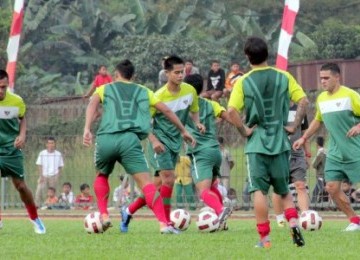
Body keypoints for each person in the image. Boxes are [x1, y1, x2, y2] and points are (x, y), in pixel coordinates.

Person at [83, 59, 196, 234]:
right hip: (130, 140)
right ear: (133, 76)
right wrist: (183, 130)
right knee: (147, 185)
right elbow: (166, 110)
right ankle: (163, 224)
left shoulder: (105, 88)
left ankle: (104, 215)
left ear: (116, 75)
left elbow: (92, 104)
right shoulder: (144, 91)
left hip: (106, 138)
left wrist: (87, 129)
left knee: (102, 175)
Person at [227, 37, 308, 248]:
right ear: (267, 54)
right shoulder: (284, 76)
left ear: (247, 56)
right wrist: (293, 126)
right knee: (283, 190)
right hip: (280, 141)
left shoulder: (243, 81)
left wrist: (244, 130)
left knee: (259, 191)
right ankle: (293, 224)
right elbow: (304, 101)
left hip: (257, 142)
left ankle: (265, 239)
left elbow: (231, 111)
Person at [121, 56, 205, 233]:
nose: (181, 75)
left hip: (176, 144)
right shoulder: (158, 96)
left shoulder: (190, 91)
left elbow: (194, 110)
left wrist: (197, 123)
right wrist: (154, 141)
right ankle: (166, 223)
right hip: (160, 144)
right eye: (176, 72)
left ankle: (128, 211)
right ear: (167, 73)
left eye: (182, 72)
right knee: (169, 179)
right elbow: (144, 123)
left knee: (156, 187)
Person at [293, 62, 360, 231]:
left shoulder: (350, 95)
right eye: (321, 78)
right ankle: (354, 221)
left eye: (326, 78)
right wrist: (304, 137)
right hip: (335, 153)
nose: (322, 81)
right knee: (331, 187)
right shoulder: (322, 98)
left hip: (355, 151)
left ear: (337, 77)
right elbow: (318, 121)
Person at [184, 73, 233, 230]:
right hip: (215, 151)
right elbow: (228, 116)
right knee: (212, 187)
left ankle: (221, 210)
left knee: (203, 192)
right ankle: (223, 218)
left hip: (200, 153)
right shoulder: (210, 104)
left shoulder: (183, 106)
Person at [0, 69, 46, 234]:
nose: (1, 90)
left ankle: (35, 218)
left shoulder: (17, 101)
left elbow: (22, 118)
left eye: (4, 87)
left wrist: (22, 135)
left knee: (20, 186)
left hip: (12, 149)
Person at [272, 104, 311, 227]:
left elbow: (304, 133)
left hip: (297, 155)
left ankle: (305, 217)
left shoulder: (300, 110)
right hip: (279, 154)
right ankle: (280, 219)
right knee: (279, 188)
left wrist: (307, 153)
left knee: (300, 185)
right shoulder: (274, 108)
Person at [34, 136, 64, 207]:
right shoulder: (42, 153)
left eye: (52, 143)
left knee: (54, 192)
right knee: (39, 190)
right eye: (49, 143)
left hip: (54, 175)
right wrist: (41, 176)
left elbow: (60, 166)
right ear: (46, 144)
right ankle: (37, 206)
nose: (51, 145)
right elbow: (39, 165)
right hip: (44, 175)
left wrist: (58, 176)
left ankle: (54, 206)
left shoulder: (58, 154)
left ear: (55, 144)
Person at [311, 136, 327, 204]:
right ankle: (314, 204)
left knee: (322, 191)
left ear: (316, 143)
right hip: (325, 174)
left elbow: (314, 164)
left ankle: (318, 204)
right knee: (316, 191)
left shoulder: (320, 152)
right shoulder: (326, 151)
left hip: (321, 175)